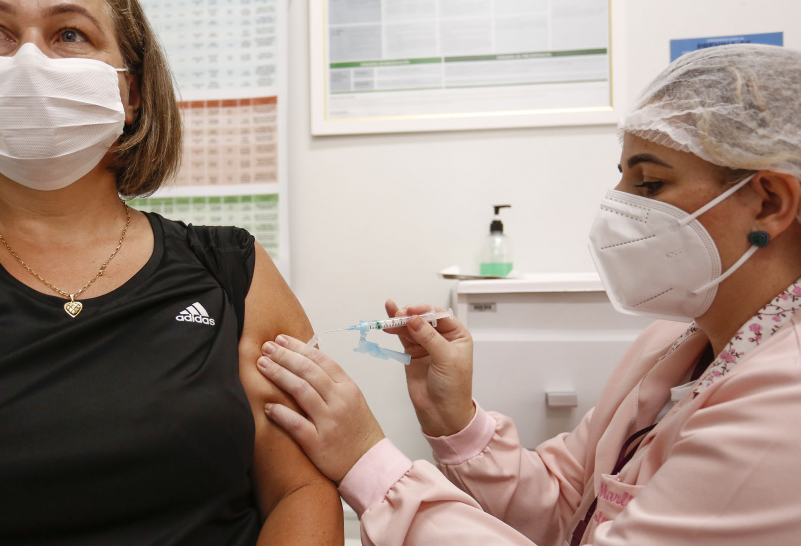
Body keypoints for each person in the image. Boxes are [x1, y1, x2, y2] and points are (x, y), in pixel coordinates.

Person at [256, 43, 801, 545]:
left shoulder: (785, 405)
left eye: (650, 184)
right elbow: (570, 502)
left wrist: (366, 459)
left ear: (770, 202)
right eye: (624, 179)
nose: (616, 206)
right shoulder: (677, 346)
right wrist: (456, 420)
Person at [0, 0, 342, 543]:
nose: (28, 61)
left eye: (70, 34)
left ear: (132, 92)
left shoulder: (230, 270)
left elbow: (301, 490)